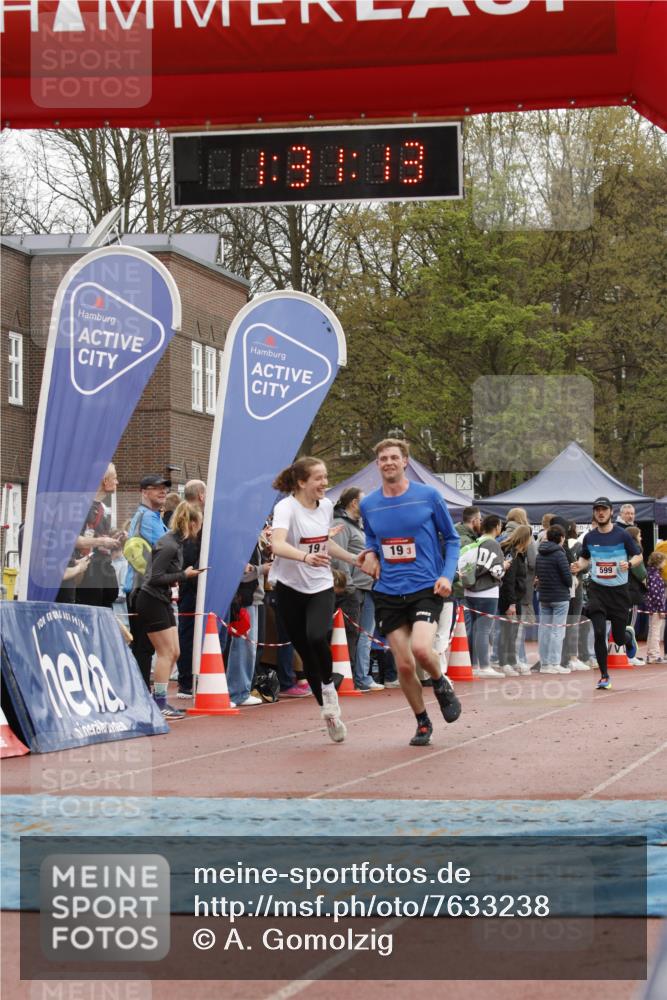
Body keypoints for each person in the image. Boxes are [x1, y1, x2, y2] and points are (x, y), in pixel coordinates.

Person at [358, 438, 461, 747]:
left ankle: (440, 683)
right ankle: (422, 721)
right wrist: (371, 553)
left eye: (394, 457)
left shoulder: (428, 496)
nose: (388, 462)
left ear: (405, 462)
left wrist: (446, 575)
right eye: (383, 459)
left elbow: (452, 539)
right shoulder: (369, 504)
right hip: (388, 590)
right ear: (378, 464)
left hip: (425, 587)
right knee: (403, 664)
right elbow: (372, 538)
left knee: (421, 650)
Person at [269, 457, 359, 743]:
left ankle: (329, 684)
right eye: (319, 478)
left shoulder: (327, 506)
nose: (325, 483)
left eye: (326, 477)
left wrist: (354, 558)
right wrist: (305, 557)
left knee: (317, 636)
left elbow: (325, 542)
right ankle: (330, 714)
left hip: (320, 584)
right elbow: (277, 544)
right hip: (289, 587)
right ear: (301, 482)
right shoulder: (286, 507)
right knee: (306, 653)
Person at [135, 501, 207, 720]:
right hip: (151, 599)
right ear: (192, 523)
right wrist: (185, 575)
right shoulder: (169, 545)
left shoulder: (175, 542)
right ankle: (158, 703)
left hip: (161, 599)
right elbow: (154, 577)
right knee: (165, 653)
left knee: (174, 652)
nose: (200, 528)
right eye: (199, 523)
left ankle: (160, 700)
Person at [571, 497, 642, 690]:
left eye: (604, 509)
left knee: (618, 639)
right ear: (594, 513)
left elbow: (638, 555)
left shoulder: (622, 535)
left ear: (611, 512)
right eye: (597, 510)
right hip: (598, 591)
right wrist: (579, 566)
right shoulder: (590, 537)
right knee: (600, 632)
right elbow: (585, 559)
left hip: (619, 592)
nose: (600, 513)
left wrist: (629, 564)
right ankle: (604, 676)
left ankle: (628, 637)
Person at [331, 488, 382, 691]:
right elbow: (338, 558)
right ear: (354, 503)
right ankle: (354, 676)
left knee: (365, 634)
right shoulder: (341, 525)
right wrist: (348, 584)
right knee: (354, 633)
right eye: (364, 501)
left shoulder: (358, 526)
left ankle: (362, 675)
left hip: (368, 586)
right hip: (355, 587)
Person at [124, 475, 171, 687]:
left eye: (165, 488)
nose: (163, 491)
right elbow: (168, 549)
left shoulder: (152, 517)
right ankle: (141, 693)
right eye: (156, 488)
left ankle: (142, 692)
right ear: (144, 492)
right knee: (146, 647)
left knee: (148, 647)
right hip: (143, 589)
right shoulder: (147, 518)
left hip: (146, 588)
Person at [75, 463, 125, 609]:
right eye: (114, 478)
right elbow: (72, 539)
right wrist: (101, 541)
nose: (117, 482)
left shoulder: (102, 508)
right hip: (88, 574)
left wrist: (114, 539)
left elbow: (98, 537)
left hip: (103, 571)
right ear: (105, 481)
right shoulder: (81, 507)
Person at [464, 514, 506, 679]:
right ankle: (484, 666)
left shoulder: (475, 542)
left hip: (469, 590)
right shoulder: (493, 544)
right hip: (487, 591)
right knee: (483, 629)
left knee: (473, 628)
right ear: (496, 527)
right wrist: (504, 566)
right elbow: (497, 571)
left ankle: (474, 665)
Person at [175, 479, 206, 698]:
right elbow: (189, 555)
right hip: (192, 585)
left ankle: (188, 679)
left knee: (188, 633)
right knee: (188, 633)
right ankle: (187, 681)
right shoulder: (193, 524)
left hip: (189, 584)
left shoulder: (181, 520)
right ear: (201, 496)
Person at [535, 524, 573, 674]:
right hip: (560, 597)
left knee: (544, 630)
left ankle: (545, 664)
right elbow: (567, 578)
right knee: (558, 631)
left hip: (544, 595)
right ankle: (555, 663)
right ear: (561, 538)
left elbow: (538, 574)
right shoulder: (560, 554)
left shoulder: (539, 554)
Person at [497, 525, 531, 675]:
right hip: (509, 598)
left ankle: (511, 660)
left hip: (515, 597)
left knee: (513, 631)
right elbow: (509, 580)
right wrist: (511, 603)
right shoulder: (512, 554)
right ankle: (504, 662)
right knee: (507, 631)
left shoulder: (518, 553)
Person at [644, 552, 666, 663]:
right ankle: (654, 655)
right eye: (664, 561)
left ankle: (650, 654)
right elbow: (656, 594)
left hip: (651, 607)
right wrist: (661, 609)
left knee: (652, 630)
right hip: (656, 608)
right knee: (655, 631)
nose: (665, 563)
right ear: (659, 562)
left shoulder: (649, 573)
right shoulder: (655, 575)